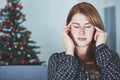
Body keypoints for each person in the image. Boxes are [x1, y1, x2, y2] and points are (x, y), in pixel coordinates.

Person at [48, 2, 120, 80]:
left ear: (96, 29)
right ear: (69, 29)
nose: (82, 32)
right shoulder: (56, 59)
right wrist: (69, 50)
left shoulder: (111, 56)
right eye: (76, 26)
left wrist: (101, 47)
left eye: (88, 26)